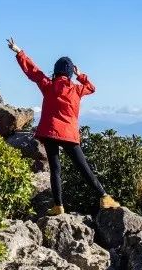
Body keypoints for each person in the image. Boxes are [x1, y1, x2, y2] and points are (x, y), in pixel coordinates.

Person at [7, 37, 120, 215]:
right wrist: (80, 75)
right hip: (68, 134)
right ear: (69, 73)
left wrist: (19, 52)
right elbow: (92, 87)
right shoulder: (76, 89)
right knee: (84, 168)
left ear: (56, 71)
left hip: (50, 132)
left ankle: (58, 206)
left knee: (55, 169)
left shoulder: (48, 85)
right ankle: (104, 197)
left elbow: (33, 72)